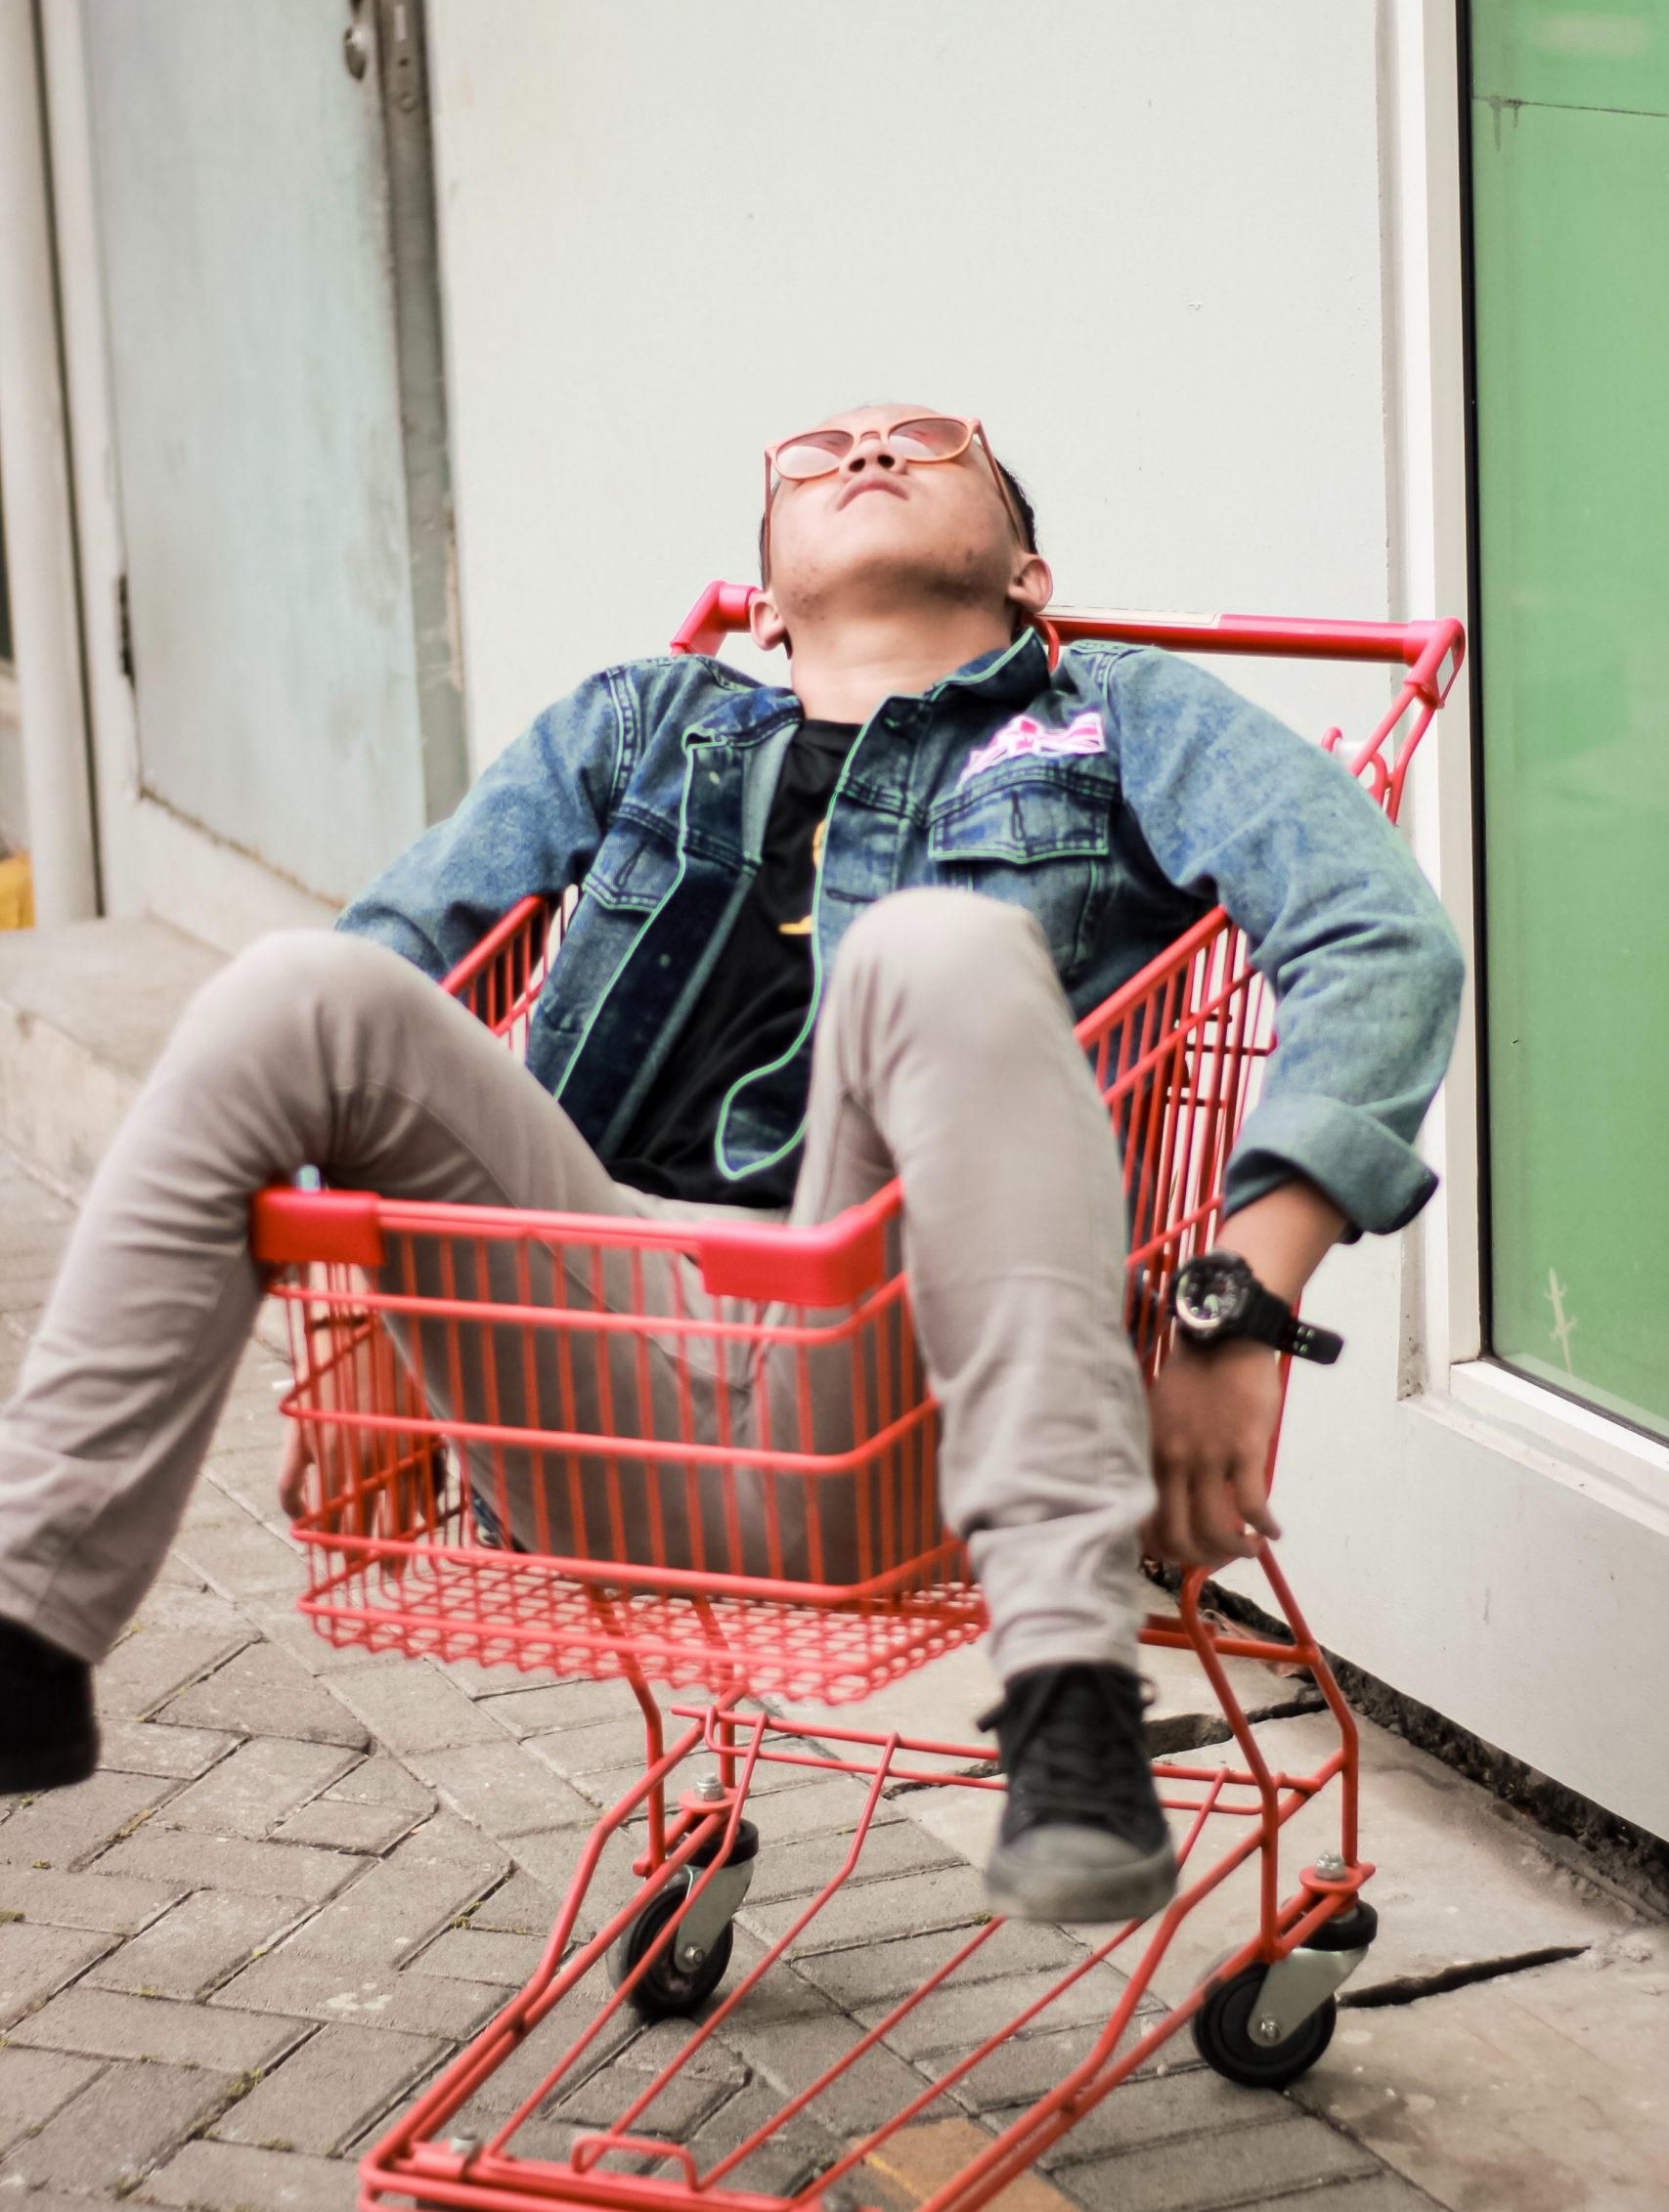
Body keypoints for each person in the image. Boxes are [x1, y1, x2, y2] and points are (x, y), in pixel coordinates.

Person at [0, 405, 1463, 1925]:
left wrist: (1240, 1311)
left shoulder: (1118, 716)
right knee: (299, 990)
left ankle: (1066, 1702)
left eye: (926, 439)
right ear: (762, 601)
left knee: (940, 945)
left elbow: (1378, 939)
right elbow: (403, 963)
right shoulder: (646, 722)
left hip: (903, 1382)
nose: (869, 453)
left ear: (1030, 573)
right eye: (818, 453)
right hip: (585, 1363)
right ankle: (30, 1631)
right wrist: (374, 1308)